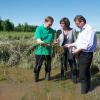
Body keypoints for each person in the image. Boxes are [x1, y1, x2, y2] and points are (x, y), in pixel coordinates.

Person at [64, 15, 97, 94]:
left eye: (77, 23)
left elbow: (89, 44)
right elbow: (78, 42)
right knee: (85, 71)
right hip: (81, 53)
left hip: (86, 54)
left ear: (82, 21)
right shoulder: (82, 30)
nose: (76, 25)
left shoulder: (90, 29)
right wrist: (71, 44)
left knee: (82, 74)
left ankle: (84, 92)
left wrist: (77, 50)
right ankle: (88, 87)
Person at [34, 16, 55, 82]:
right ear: (45, 22)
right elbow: (38, 40)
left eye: (51, 24)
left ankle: (47, 79)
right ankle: (36, 79)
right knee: (38, 66)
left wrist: (55, 42)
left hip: (48, 52)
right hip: (40, 51)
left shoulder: (52, 31)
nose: (50, 26)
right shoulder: (39, 29)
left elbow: (53, 41)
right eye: (49, 24)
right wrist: (46, 43)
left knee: (48, 67)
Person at [56, 17, 77, 83]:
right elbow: (56, 40)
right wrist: (56, 42)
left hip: (70, 49)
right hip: (62, 49)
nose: (61, 24)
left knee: (72, 62)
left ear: (67, 23)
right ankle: (63, 75)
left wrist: (74, 48)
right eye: (60, 23)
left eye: (63, 23)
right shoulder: (58, 31)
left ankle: (74, 77)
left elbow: (76, 40)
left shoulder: (73, 30)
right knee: (62, 62)